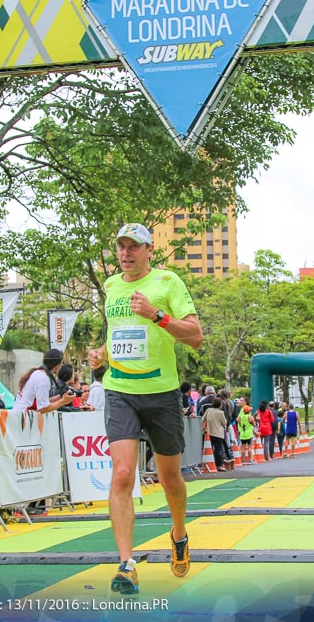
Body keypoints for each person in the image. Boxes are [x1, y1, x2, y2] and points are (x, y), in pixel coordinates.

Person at [86, 223, 203, 595]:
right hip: (120, 391)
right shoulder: (110, 287)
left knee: (171, 480)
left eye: (133, 246)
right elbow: (117, 330)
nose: (125, 253)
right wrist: (101, 353)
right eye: (120, 246)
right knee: (122, 474)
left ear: (149, 249)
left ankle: (179, 533)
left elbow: (196, 337)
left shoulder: (168, 282)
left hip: (162, 393)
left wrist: (157, 315)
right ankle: (125, 564)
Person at [12, 349, 73, 414]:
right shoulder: (43, 378)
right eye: (61, 363)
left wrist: (60, 397)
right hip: (24, 416)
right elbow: (43, 408)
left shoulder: (38, 373)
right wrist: (62, 401)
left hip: (19, 414)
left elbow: (41, 401)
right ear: (57, 364)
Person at [201, 397, 228, 472]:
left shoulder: (208, 410)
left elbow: (203, 419)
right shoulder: (220, 413)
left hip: (208, 432)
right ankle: (219, 465)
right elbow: (224, 422)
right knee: (218, 449)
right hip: (218, 433)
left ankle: (206, 464)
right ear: (220, 405)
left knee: (207, 449)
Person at [236, 401, 255, 465]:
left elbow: (238, 421)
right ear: (248, 411)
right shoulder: (250, 417)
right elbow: (254, 424)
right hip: (249, 433)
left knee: (243, 447)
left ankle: (243, 460)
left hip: (242, 433)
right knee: (249, 447)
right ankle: (250, 459)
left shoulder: (240, 418)